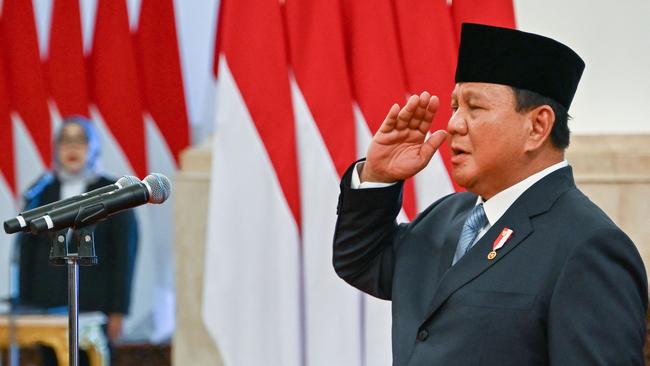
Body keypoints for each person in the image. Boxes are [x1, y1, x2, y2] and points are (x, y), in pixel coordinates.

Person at [333, 23, 647, 365]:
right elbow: (361, 260)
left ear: (538, 126)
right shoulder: (446, 218)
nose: (453, 124)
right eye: (455, 107)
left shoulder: (588, 245)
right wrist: (377, 177)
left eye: (475, 108)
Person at [17, 116, 138, 365]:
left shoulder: (114, 193)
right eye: (65, 141)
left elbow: (124, 255)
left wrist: (119, 310)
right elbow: (25, 254)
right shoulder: (41, 191)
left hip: (96, 305)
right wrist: (25, 305)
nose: (72, 148)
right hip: (45, 306)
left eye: (81, 141)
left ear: (95, 147)